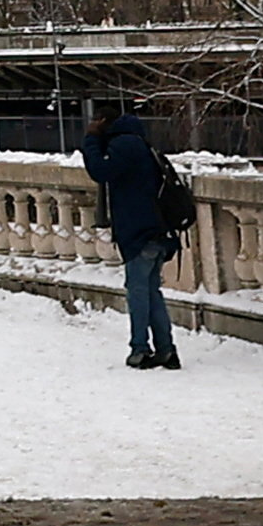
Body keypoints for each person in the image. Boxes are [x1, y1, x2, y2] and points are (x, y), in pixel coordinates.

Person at [82, 100, 182, 367]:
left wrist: (91, 141)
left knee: (137, 293)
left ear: (103, 122)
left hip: (139, 232)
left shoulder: (124, 144)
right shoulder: (140, 143)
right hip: (157, 230)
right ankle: (166, 350)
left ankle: (140, 349)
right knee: (151, 292)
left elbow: (100, 171)